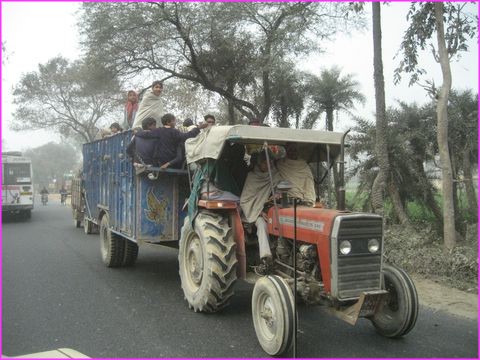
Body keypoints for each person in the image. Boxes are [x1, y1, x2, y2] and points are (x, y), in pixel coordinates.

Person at [240, 150, 282, 274]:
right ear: (260, 163)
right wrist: (259, 212)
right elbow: (245, 201)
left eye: (271, 162)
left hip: (271, 210)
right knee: (262, 224)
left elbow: (280, 188)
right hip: (252, 213)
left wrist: (278, 194)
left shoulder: (275, 175)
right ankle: (266, 259)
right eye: (265, 162)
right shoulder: (252, 177)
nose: (269, 165)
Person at [134, 113, 208, 169]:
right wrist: (198, 128)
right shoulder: (174, 132)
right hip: (172, 162)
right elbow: (186, 136)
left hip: (160, 161)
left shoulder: (158, 130)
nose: (175, 122)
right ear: (168, 122)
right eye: (174, 121)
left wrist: (137, 132)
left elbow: (146, 134)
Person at [276, 142, 316, 207]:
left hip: (302, 202)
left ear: (297, 151)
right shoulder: (280, 164)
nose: (293, 152)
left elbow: (309, 184)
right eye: (290, 150)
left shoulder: (304, 166)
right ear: (287, 151)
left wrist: (308, 201)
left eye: (295, 150)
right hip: (284, 201)